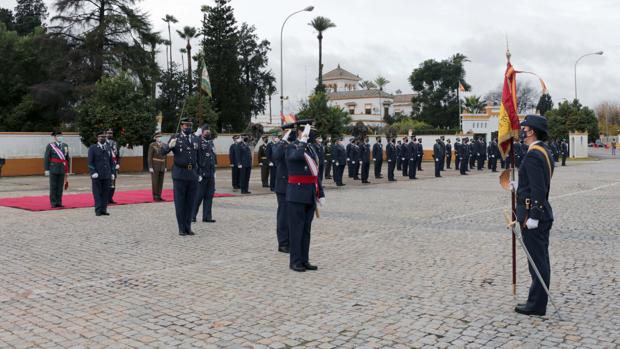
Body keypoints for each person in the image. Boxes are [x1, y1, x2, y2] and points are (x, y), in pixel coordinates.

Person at [512, 114, 555, 316]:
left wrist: (534, 216)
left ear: (533, 131)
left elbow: (539, 190)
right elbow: (535, 183)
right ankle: (536, 300)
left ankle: (537, 305)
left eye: (526, 129)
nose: (523, 132)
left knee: (537, 262)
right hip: (537, 212)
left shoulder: (533, 154)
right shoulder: (544, 150)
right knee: (540, 259)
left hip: (534, 215)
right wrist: (519, 186)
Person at [286, 121, 325, 272]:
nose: (309, 135)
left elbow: (315, 173)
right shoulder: (291, 147)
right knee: (296, 230)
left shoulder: (310, 148)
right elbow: (295, 157)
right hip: (296, 194)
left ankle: (304, 259)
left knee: (306, 231)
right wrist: (302, 141)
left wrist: (320, 194)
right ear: (299, 133)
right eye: (306, 132)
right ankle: (295, 261)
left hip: (309, 194)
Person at [161, 118, 199, 236]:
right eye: (186, 125)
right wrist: (169, 146)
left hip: (192, 173)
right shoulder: (175, 138)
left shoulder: (194, 138)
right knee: (180, 202)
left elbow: (199, 156)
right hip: (180, 173)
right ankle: (181, 228)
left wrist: (199, 172)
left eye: (189, 125)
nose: (188, 127)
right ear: (181, 126)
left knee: (191, 202)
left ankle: (188, 227)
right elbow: (162, 152)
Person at [272, 126, 292, 253]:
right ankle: (283, 243)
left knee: (293, 216)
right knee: (284, 216)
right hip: (283, 186)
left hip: (294, 185)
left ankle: (291, 240)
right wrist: (283, 140)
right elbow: (276, 155)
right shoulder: (279, 145)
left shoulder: (296, 145)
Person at [193, 125, 217, 223]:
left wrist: (214, 172)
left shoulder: (211, 143)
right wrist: (197, 174)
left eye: (209, 131)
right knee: (198, 196)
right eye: (206, 131)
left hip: (210, 173)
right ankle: (192, 216)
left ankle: (207, 217)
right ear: (202, 133)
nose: (208, 133)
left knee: (209, 196)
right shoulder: (198, 142)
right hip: (201, 174)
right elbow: (195, 158)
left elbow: (213, 157)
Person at [88, 131, 114, 216]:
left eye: (103, 137)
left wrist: (112, 172)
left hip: (106, 174)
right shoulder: (93, 148)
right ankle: (98, 210)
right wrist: (93, 172)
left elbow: (111, 161)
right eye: (100, 137)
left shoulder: (108, 148)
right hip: (97, 175)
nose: (102, 138)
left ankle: (104, 209)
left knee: (105, 193)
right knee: (97, 193)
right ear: (97, 138)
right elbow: (90, 162)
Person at [44, 131, 70, 208]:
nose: (60, 137)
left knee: (60, 186)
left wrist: (67, 170)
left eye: (61, 136)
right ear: (55, 137)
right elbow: (46, 157)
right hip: (53, 168)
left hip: (62, 168)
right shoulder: (50, 146)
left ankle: (59, 202)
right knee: (53, 186)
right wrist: (46, 169)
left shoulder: (65, 145)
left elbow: (67, 158)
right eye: (58, 136)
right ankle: (53, 202)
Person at [147, 132, 168, 201]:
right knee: (155, 181)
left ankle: (159, 195)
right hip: (155, 165)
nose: (159, 138)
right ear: (155, 138)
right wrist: (150, 167)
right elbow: (149, 156)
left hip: (162, 165)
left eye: (160, 137)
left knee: (160, 182)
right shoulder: (152, 145)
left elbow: (165, 157)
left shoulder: (164, 145)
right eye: (158, 137)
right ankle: (155, 196)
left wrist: (165, 166)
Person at [106, 128, 120, 204]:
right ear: (106, 134)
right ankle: (105, 198)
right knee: (107, 182)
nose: (110, 134)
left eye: (111, 133)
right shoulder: (104, 143)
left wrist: (118, 163)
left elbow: (118, 154)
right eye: (108, 133)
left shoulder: (115, 143)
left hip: (114, 165)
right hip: (107, 165)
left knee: (113, 182)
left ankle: (110, 198)